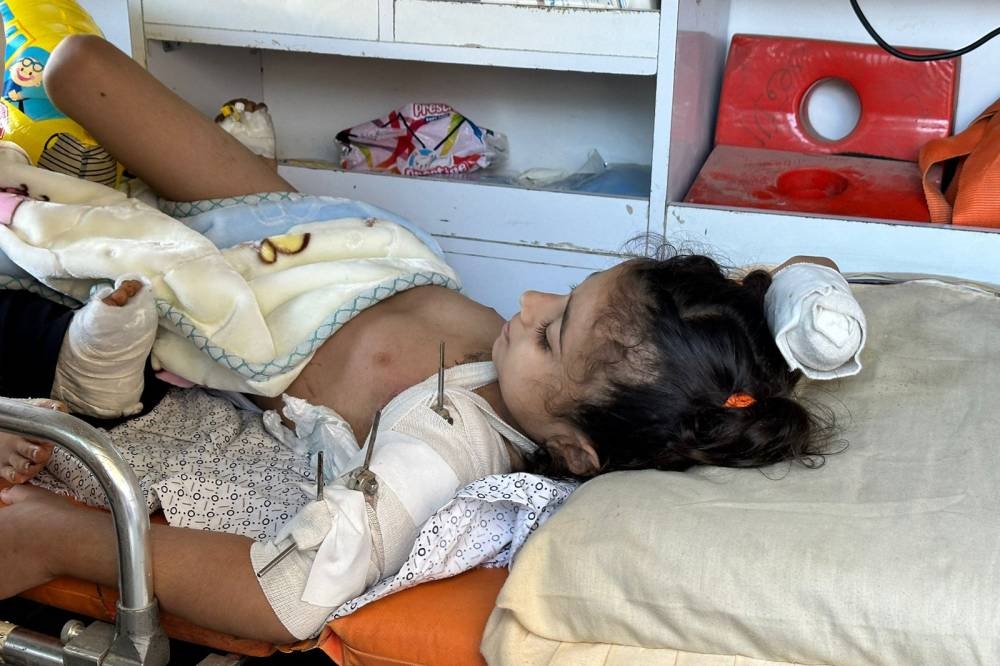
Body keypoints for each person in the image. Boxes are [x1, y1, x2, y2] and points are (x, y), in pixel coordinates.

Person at [0, 34, 834, 643]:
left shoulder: (447, 447)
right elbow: (797, 277)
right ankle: (124, 204)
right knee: (80, 66)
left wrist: (55, 535)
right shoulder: (558, 368)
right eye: (568, 293)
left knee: (49, 236)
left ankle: (110, 227)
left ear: (576, 452)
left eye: (553, 332)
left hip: (246, 309)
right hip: (322, 238)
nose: (530, 301)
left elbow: (287, 598)